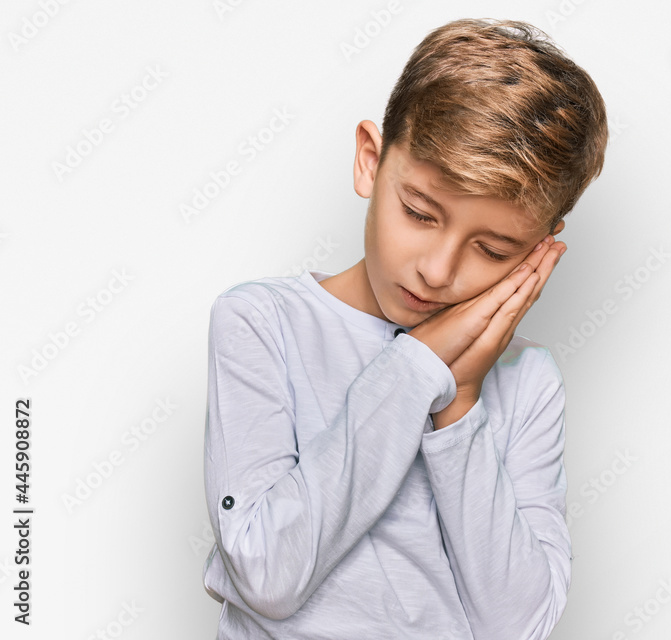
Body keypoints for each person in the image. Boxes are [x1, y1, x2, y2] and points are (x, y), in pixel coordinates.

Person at [201, 17, 607, 639]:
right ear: (371, 160)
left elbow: (519, 627)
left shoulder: (527, 381)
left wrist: (461, 404)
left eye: (494, 250)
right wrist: (417, 366)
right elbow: (264, 574)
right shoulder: (261, 324)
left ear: (536, 254)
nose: (437, 270)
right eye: (419, 213)